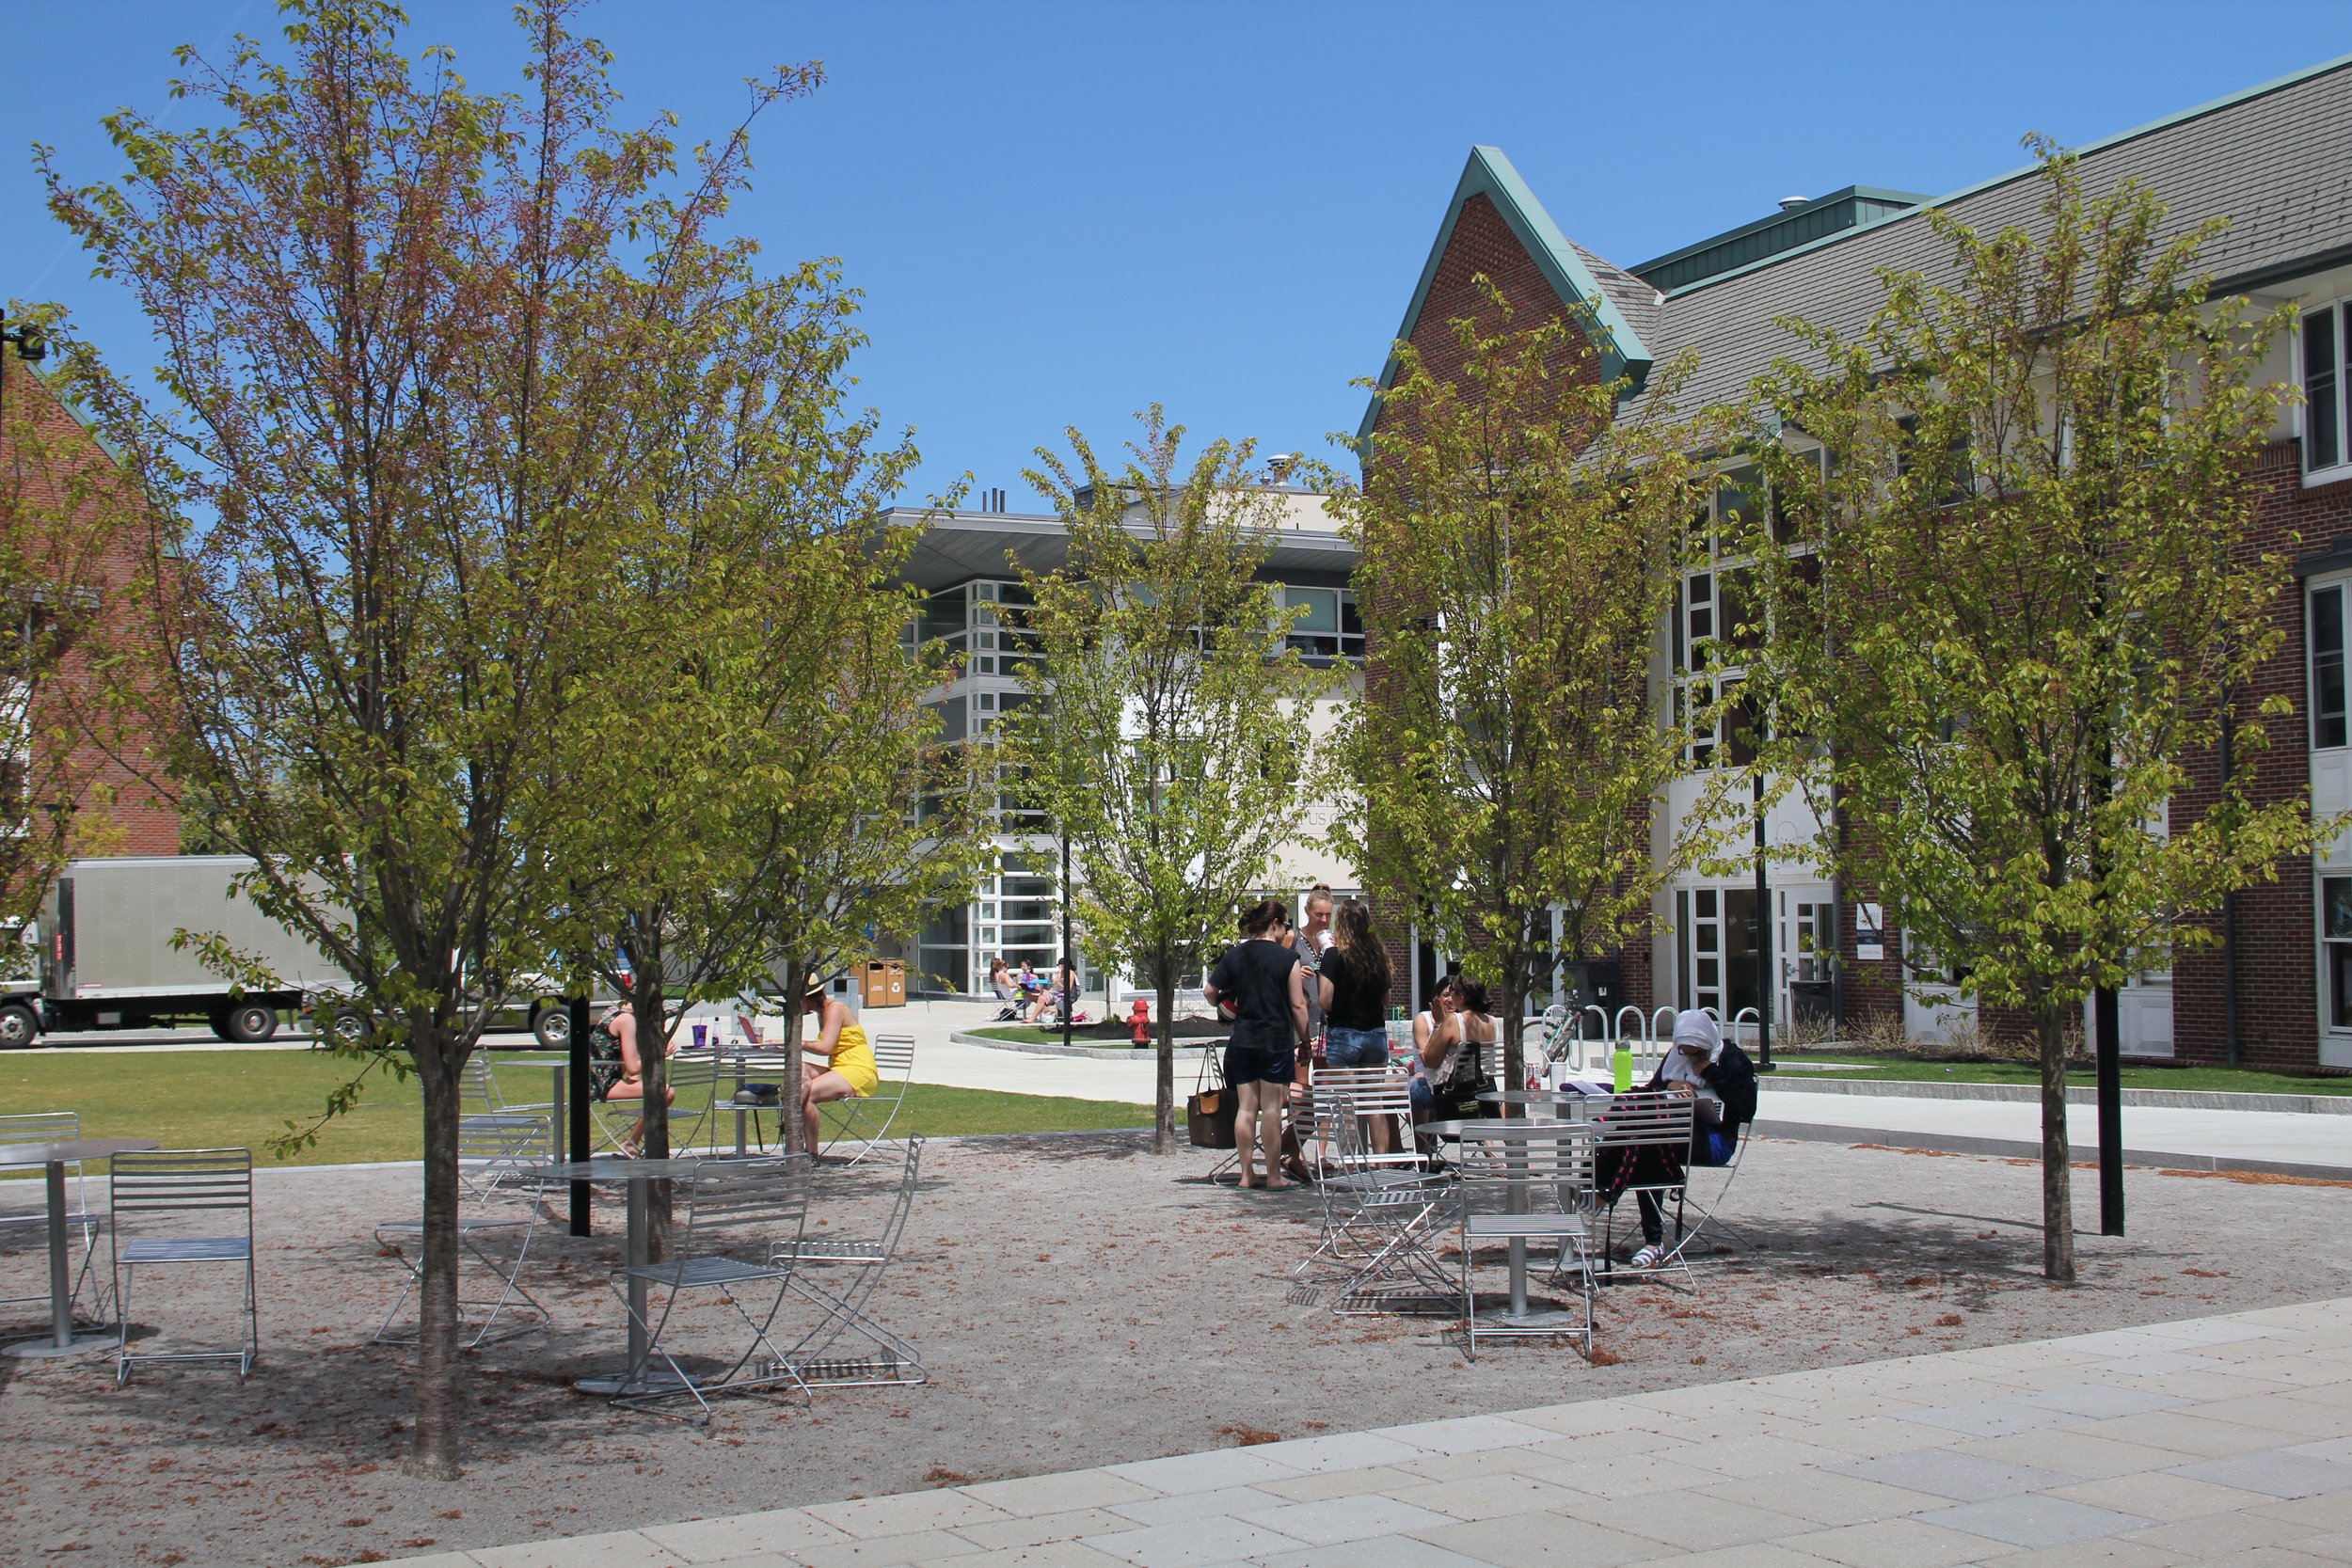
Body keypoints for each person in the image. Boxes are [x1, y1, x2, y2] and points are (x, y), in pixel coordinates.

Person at [1597, 1008, 1758, 1269]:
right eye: (1686, 1051)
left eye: (1698, 1052)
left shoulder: (1732, 1059)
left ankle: (1606, 1192)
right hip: (1669, 1133)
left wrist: (1710, 1072)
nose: (1691, 1057)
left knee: (1648, 1139)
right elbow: (1650, 1092)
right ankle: (1650, 1238)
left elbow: (1746, 1108)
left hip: (1714, 1139)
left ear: (1709, 1044)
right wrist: (1670, 1086)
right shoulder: (1675, 1056)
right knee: (1645, 1139)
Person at [1203, 899, 1311, 1190]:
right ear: (1274, 924)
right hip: (1275, 1041)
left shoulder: (1235, 955)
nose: (1286, 930)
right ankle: (1274, 1176)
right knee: (1272, 1110)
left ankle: (1247, 1174)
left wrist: (1226, 1005)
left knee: (1246, 1109)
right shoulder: (1287, 959)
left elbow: (1210, 991)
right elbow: (1298, 1006)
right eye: (1286, 924)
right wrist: (1304, 1038)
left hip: (1243, 1041)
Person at [800, 982, 882, 1155]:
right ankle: (794, 1111)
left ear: (809, 998)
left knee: (809, 1094)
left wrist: (797, 1043)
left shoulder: (835, 1009)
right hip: (839, 1066)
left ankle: (811, 1154)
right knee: (798, 1070)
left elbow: (826, 1047)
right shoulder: (821, 1014)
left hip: (858, 1069)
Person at [593, 999, 675, 1160]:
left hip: (602, 1079)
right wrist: (660, 1055)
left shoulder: (615, 1014)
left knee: (661, 1091)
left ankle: (633, 1143)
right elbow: (633, 1067)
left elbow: (629, 1067)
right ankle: (631, 1142)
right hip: (599, 1084)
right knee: (666, 1093)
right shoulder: (627, 1020)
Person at [1025, 954, 1079, 1025]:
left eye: (1061, 965)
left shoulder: (1070, 973)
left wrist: (1057, 982)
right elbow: (1056, 985)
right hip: (1057, 993)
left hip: (1068, 994)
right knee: (1041, 997)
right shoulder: (1060, 973)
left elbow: (1068, 988)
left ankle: (1040, 1016)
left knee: (1039, 995)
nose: (1059, 967)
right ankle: (1033, 1018)